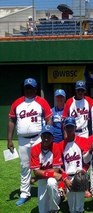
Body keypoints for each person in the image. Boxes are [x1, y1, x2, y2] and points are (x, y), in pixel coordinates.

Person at [7, 77, 52, 206]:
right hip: (22, 140)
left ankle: (46, 189)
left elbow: (49, 119)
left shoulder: (41, 102)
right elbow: (11, 121)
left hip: (38, 138)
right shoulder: (17, 103)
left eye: (31, 88)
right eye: (27, 88)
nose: (29, 90)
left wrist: (48, 135)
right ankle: (24, 193)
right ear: (24, 88)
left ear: (36, 89)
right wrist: (9, 139)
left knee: (43, 164)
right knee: (24, 167)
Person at [59, 117, 90, 213]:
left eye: (71, 127)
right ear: (64, 128)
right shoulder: (60, 145)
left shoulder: (83, 141)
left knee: (79, 209)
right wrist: (65, 179)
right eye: (67, 127)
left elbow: (87, 161)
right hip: (68, 177)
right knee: (72, 209)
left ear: (75, 128)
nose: (69, 130)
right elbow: (59, 166)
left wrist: (84, 171)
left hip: (80, 177)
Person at [30, 125, 63, 213]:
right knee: (43, 211)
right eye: (44, 136)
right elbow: (36, 172)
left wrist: (38, 176)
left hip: (50, 179)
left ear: (52, 138)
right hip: (43, 179)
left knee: (51, 182)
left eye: (49, 137)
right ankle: (59, 195)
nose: (46, 139)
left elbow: (56, 170)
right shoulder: (35, 148)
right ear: (41, 136)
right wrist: (38, 175)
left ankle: (54, 209)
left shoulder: (56, 147)